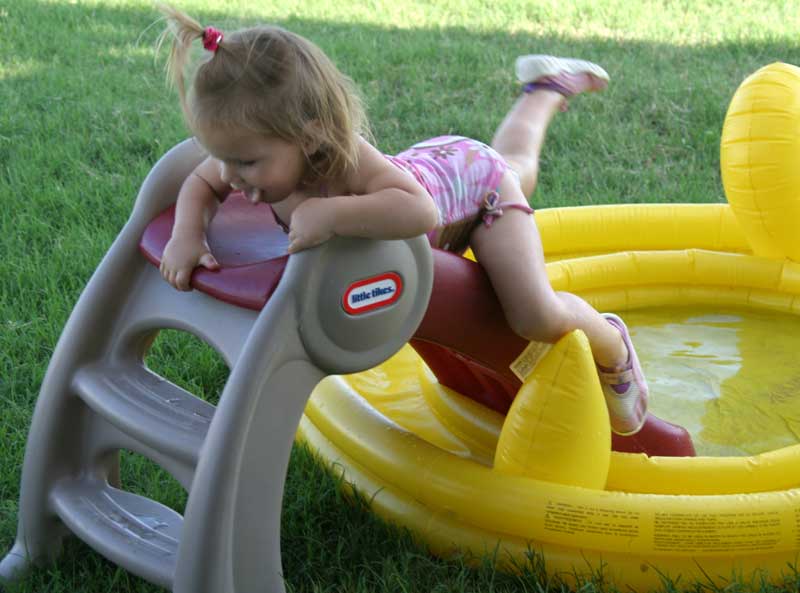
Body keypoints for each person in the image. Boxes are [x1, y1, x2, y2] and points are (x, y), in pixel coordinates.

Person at [156, 5, 648, 436]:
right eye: (222, 157)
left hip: (477, 194)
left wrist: (332, 213)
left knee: (533, 315)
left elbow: (421, 211)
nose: (228, 175)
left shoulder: (346, 162)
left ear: (309, 137)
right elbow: (201, 183)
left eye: (244, 163)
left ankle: (612, 344)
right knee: (517, 162)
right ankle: (545, 87)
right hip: (438, 164)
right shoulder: (249, 154)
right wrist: (186, 235)